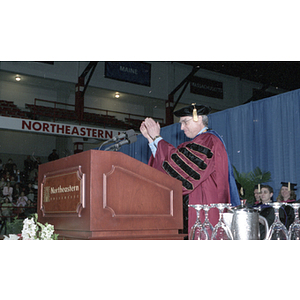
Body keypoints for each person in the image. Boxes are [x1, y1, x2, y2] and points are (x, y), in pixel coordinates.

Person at [140, 103, 240, 235]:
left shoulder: (208, 140)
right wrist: (151, 139)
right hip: (200, 208)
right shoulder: (201, 142)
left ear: (197, 118)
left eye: (184, 122)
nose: (181, 128)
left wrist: (157, 138)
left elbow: (179, 168)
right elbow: (174, 166)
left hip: (205, 211)